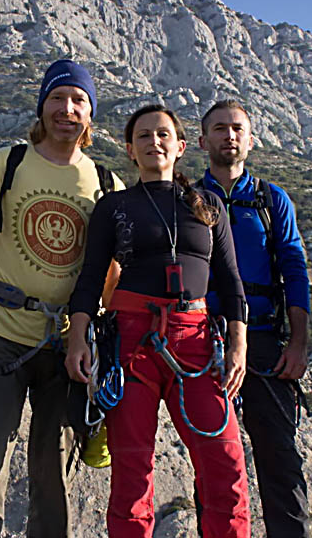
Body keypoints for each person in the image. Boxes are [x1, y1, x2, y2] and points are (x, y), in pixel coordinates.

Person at [0, 59, 123, 537]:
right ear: (42, 106)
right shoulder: (5, 164)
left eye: (78, 100)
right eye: (58, 98)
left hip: (68, 347)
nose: (67, 108)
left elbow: (117, 273)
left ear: (90, 115)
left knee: (54, 479)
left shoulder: (107, 184)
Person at [65, 104, 251, 538]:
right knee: (132, 469)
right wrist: (78, 339)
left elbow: (231, 281)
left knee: (226, 464)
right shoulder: (113, 207)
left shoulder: (209, 206)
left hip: (201, 343)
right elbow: (90, 278)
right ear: (130, 150)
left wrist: (239, 345)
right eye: (144, 136)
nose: (154, 142)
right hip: (131, 343)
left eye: (163, 134)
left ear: (182, 146)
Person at [195, 99, 312, 537]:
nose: (230, 135)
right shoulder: (189, 200)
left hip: (264, 343)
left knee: (281, 459)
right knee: (213, 463)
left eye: (238, 128)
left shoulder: (271, 199)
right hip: (203, 344)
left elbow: (295, 269)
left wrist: (298, 342)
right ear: (203, 140)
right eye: (220, 128)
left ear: (250, 138)